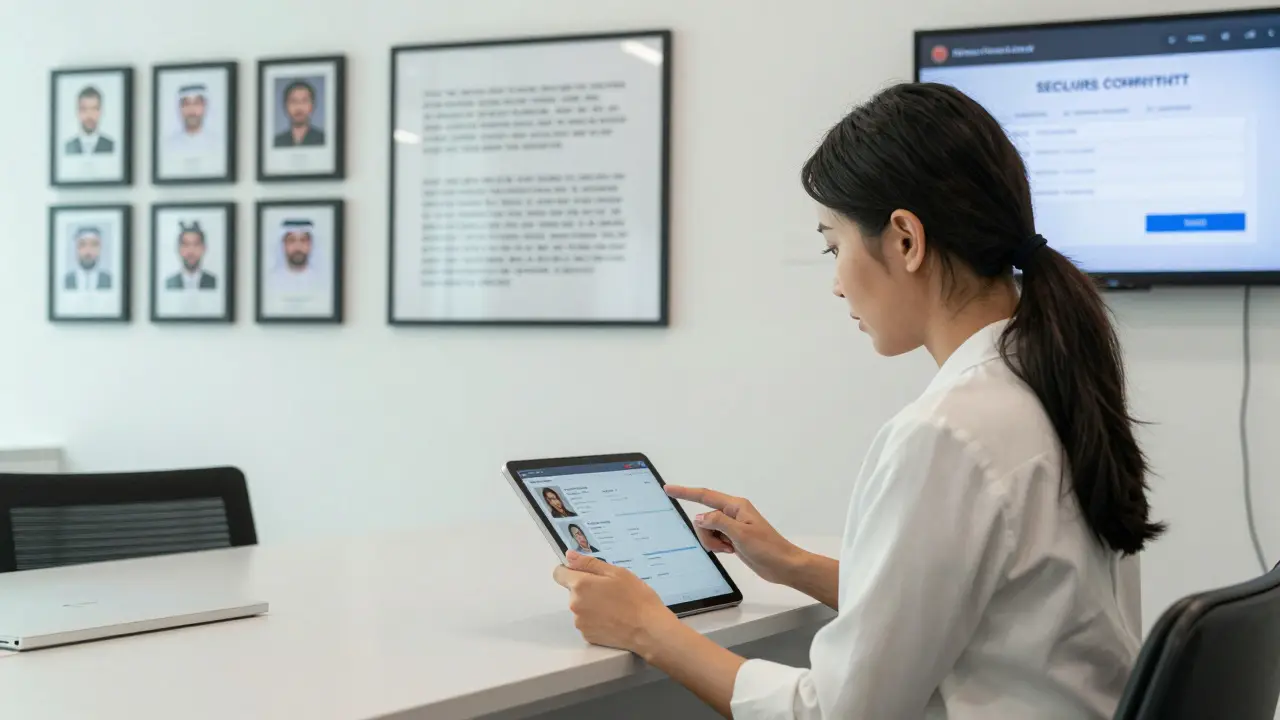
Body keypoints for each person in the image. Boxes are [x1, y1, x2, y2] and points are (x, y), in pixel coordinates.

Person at [551, 82, 1163, 720]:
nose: (837, 284)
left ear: (905, 240)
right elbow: (981, 610)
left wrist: (647, 627)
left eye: (833, 246)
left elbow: (839, 713)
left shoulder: (949, 433)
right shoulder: (1048, 379)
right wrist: (792, 564)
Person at [166, 84, 220, 155]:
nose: (192, 110)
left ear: (204, 107)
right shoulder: (168, 146)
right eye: (186, 104)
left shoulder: (218, 144)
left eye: (197, 103)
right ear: (180, 108)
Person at [165, 222, 217, 290]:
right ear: (179, 249)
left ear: (203, 248)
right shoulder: (169, 283)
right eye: (186, 245)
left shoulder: (214, 282)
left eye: (196, 244)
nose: (191, 251)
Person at [273, 80, 325, 147]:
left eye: (304, 101)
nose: (299, 107)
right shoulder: (277, 142)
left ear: (313, 106)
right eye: (293, 101)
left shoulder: (323, 139)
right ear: (285, 106)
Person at [65, 86, 114, 155]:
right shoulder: (67, 147)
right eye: (84, 109)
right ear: (78, 112)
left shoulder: (112, 146)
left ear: (100, 112)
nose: (89, 115)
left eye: (94, 109)